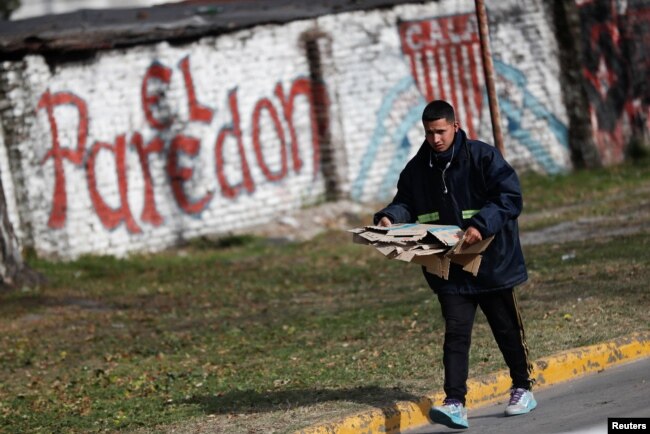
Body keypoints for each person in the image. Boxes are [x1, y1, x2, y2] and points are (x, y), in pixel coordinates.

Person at [374, 100, 536, 429]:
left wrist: (480, 225)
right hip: (450, 268)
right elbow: (406, 201)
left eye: (441, 132)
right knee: (456, 335)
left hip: (492, 264)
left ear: (455, 127)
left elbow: (509, 196)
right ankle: (455, 403)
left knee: (506, 331)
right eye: (429, 132)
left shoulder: (483, 157)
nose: (435, 139)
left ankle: (522, 387)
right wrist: (390, 217)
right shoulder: (417, 169)